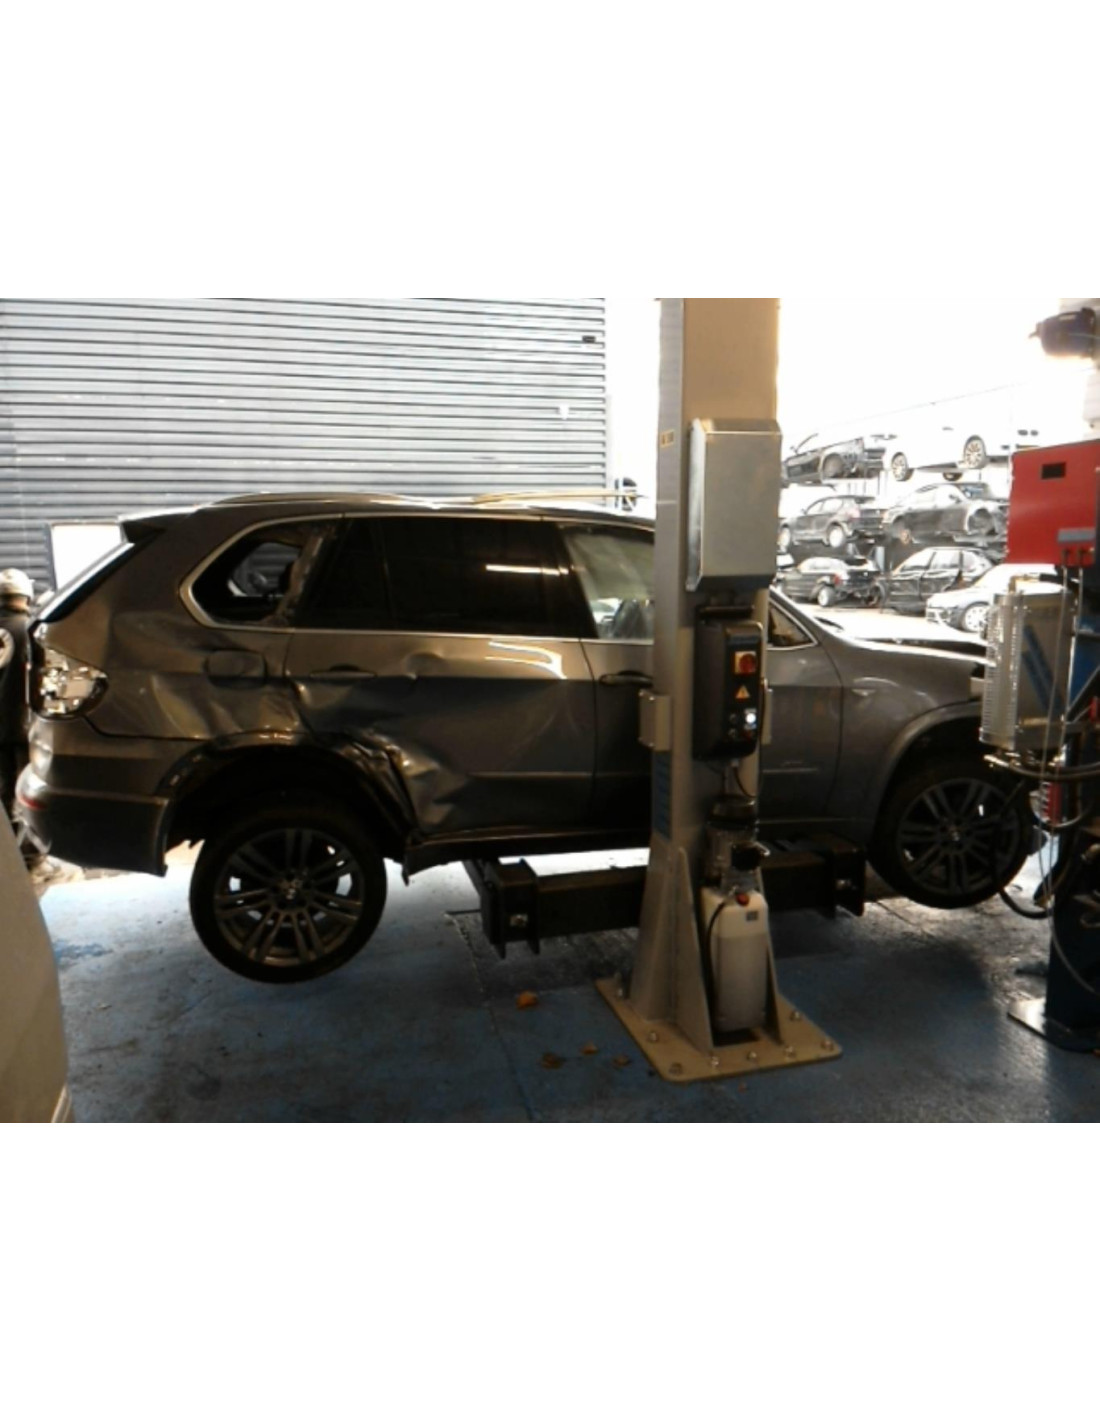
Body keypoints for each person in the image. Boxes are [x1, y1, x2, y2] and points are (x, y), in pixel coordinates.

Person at [0, 568, 34, 835]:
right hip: (22, 725)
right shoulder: (31, 631)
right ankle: (28, 851)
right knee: (25, 792)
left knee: (3, 790)